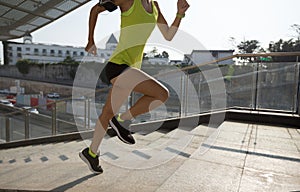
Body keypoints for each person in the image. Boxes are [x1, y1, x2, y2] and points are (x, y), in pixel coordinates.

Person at [79, 0, 190, 174]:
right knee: (162, 94)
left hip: (131, 69)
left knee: (107, 113)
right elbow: (95, 9)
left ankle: (91, 153)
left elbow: (168, 35)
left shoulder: (154, 5)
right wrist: (90, 40)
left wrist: (179, 13)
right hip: (118, 65)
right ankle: (122, 120)